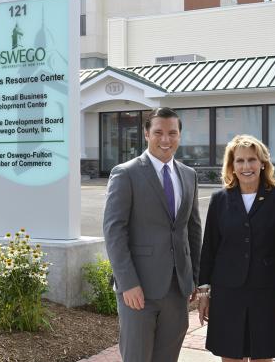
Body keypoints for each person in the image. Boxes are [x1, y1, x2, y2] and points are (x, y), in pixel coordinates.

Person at [103, 107, 202, 362]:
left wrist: (194, 277)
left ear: (179, 136)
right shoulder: (125, 173)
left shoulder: (189, 175)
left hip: (177, 289)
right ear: (146, 134)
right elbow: (114, 231)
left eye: (172, 133)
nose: (165, 139)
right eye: (158, 132)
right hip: (138, 290)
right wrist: (128, 283)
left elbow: (193, 229)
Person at [198, 134, 275, 362]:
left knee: (263, 356)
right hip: (227, 294)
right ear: (232, 166)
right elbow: (209, 249)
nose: (246, 166)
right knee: (230, 355)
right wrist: (204, 292)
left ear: (263, 163)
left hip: (268, 294)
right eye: (240, 160)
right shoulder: (219, 200)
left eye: (252, 159)